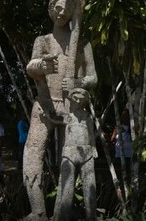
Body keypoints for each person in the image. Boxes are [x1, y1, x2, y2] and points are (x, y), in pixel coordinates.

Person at [23, 0, 98, 220]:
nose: (61, 13)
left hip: (72, 110)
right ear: (50, 10)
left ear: (72, 13)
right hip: (44, 107)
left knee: (71, 163)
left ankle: (63, 213)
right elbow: (31, 67)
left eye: (66, 10)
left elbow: (93, 78)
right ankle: (38, 211)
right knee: (31, 158)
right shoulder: (43, 41)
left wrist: (76, 82)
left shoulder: (81, 43)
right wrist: (42, 66)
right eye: (57, 8)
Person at [48, 88, 98, 221]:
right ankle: (63, 217)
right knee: (67, 189)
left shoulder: (87, 117)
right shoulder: (67, 116)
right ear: (71, 99)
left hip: (87, 153)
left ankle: (91, 217)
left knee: (90, 187)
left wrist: (93, 148)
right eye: (76, 98)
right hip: (69, 153)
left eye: (82, 99)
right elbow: (51, 115)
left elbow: (91, 134)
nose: (78, 101)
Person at [110, 109, 133, 186]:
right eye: (123, 116)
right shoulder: (117, 127)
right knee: (120, 175)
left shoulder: (132, 128)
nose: (124, 118)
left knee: (129, 175)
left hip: (129, 155)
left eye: (126, 116)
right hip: (119, 155)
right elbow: (112, 139)